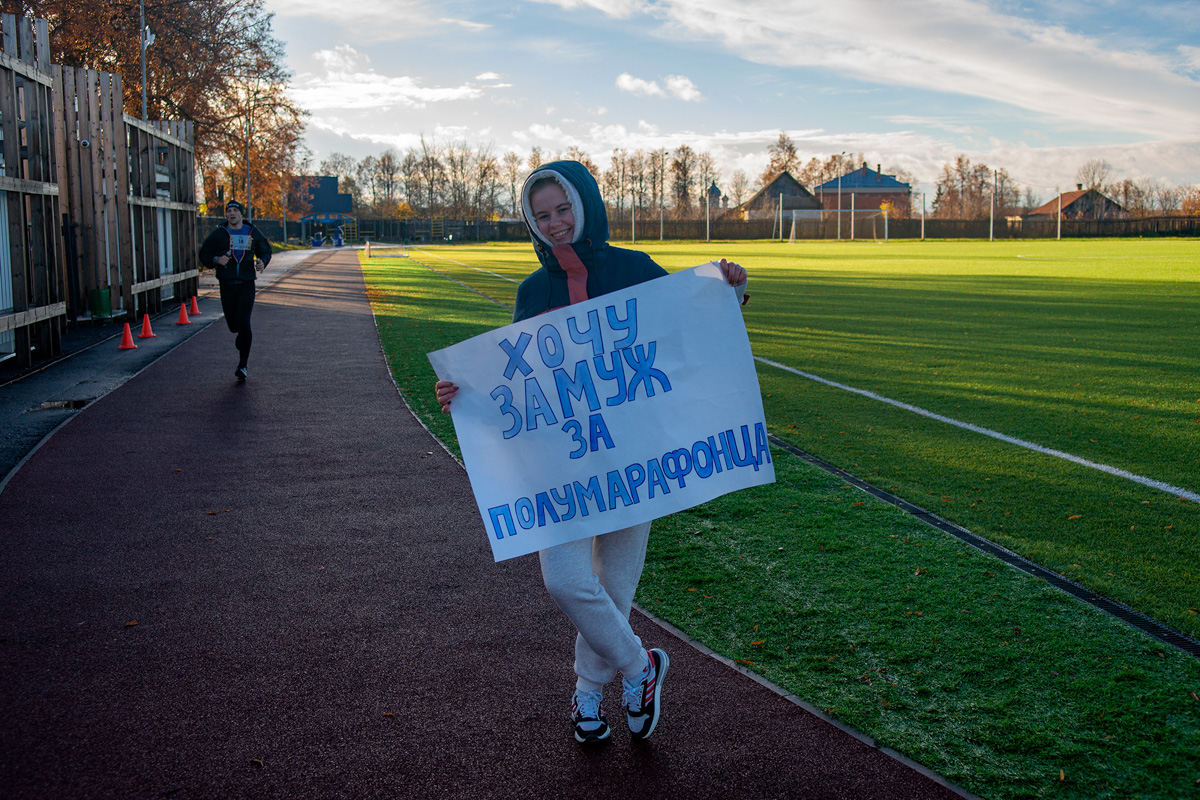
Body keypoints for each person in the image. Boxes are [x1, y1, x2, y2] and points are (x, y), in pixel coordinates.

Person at [435, 160, 747, 745]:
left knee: (614, 589)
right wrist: (464, 392)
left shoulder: (633, 268)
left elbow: (693, 322)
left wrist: (731, 285)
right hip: (562, 467)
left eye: (564, 209)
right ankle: (641, 668)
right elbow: (517, 381)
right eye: (542, 215)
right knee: (566, 579)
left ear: (586, 205)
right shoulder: (533, 290)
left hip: (634, 461)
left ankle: (586, 699)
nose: (555, 223)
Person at [199, 200, 272, 382]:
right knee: (233, 325)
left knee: (244, 321)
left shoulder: (252, 232)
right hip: (227, 283)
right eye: (229, 211)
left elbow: (265, 250)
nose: (232, 214)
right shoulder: (219, 234)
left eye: (235, 211)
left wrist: (262, 260)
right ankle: (241, 338)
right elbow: (204, 254)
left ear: (241, 214)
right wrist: (216, 259)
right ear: (227, 215)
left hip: (246, 283)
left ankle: (243, 365)